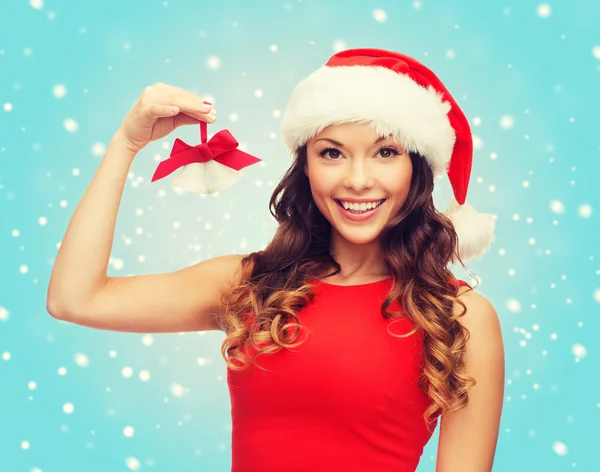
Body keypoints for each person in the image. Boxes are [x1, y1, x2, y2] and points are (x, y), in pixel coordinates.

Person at [47, 48, 505, 472]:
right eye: (332, 153)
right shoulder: (249, 283)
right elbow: (75, 299)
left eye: (386, 152)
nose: (358, 179)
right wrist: (127, 144)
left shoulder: (460, 318)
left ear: (418, 168)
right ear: (305, 165)